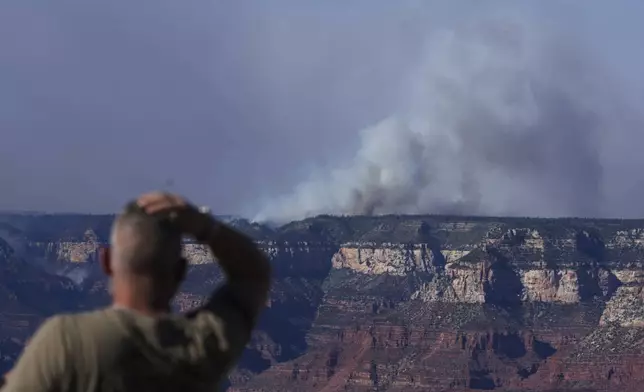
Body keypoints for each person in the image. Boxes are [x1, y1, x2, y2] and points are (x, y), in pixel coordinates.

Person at [1, 191, 272, 392]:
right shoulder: (203, 345)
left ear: (105, 261)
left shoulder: (65, 340)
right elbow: (253, 275)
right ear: (180, 271)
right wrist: (204, 226)